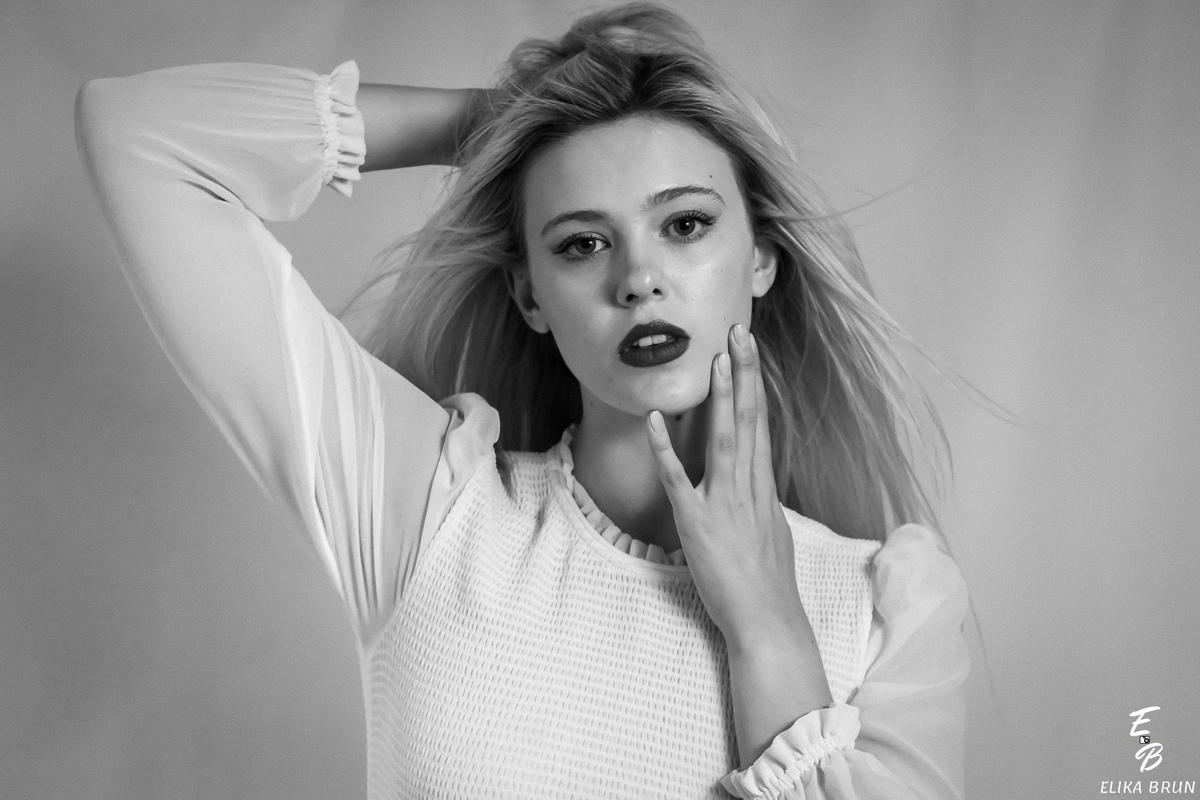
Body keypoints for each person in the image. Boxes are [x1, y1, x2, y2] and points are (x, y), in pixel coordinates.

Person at [75, 3, 970, 798]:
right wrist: (500, 121)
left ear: (762, 258)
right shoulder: (428, 514)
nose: (639, 278)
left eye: (686, 224)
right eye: (583, 242)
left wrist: (768, 629)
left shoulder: (887, 607)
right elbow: (138, 136)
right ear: (530, 295)